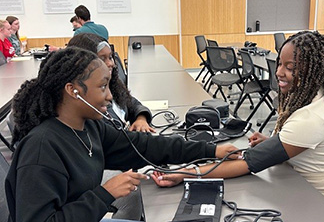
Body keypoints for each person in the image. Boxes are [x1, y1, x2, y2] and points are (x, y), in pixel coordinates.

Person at [5, 47, 240, 222]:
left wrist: (211, 150)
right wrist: (105, 194)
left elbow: (145, 146)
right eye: (102, 87)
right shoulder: (42, 148)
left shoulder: (88, 127)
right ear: (72, 91)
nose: (109, 96)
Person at [151, 31, 324, 220]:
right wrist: (275, 143)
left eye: (290, 68)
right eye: (279, 64)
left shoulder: (313, 118)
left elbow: (248, 163)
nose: (279, 72)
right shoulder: (310, 98)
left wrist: (186, 173)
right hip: (310, 192)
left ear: (316, 72)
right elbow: (303, 146)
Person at [67, 33, 154, 132]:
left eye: (110, 57)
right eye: (102, 59)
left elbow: (132, 103)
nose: (110, 63)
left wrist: (141, 119)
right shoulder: (88, 102)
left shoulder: (113, 85)